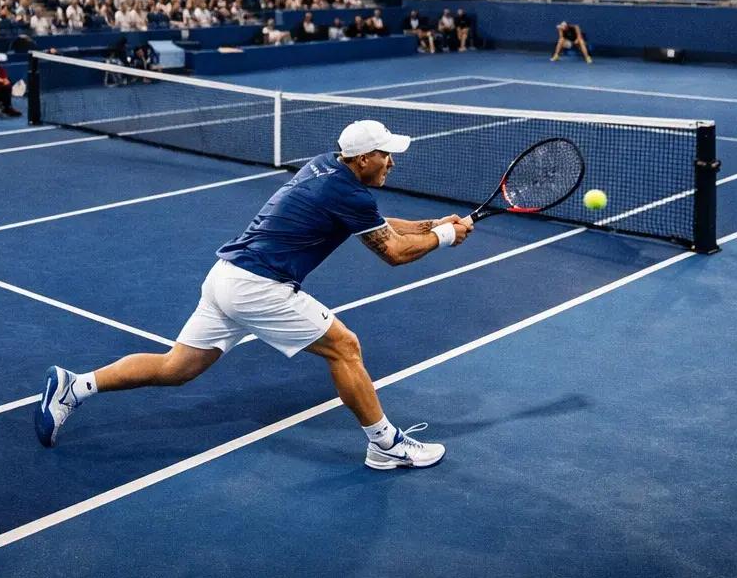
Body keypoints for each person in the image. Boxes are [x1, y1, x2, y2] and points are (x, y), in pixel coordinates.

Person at [33, 120, 474, 469]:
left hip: (225, 278)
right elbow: (393, 253)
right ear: (362, 160)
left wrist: (433, 224)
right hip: (259, 287)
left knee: (177, 367)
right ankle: (386, 446)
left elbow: (374, 224)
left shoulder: (325, 165)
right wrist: (445, 238)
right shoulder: (348, 193)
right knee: (345, 347)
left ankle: (75, 386)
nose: (391, 162)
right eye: (385, 154)